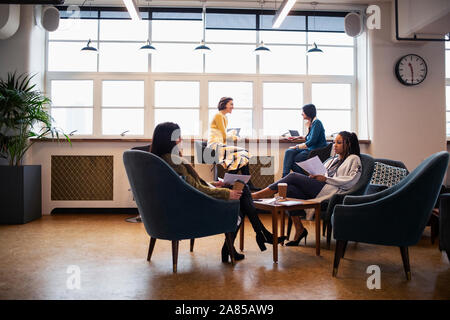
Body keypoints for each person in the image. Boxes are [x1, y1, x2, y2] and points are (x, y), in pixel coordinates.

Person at [151, 122, 285, 262]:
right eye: (178, 135)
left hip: (185, 200)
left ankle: (252, 238)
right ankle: (255, 237)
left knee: (241, 192)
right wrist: (227, 193)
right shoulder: (174, 161)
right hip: (194, 204)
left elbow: (190, 185)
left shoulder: (161, 158)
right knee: (241, 194)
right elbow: (195, 188)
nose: (181, 139)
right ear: (169, 139)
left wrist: (217, 184)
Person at [252, 131, 361, 246]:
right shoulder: (332, 159)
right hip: (321, 187)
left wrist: (325, 179)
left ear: (348, 144)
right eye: (334, 142)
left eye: (339, 143)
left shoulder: (354, 159)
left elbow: (351, 181)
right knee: (290, 189)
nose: (335, 145)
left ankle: (258, 195)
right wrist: (314, 175)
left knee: (293, 176)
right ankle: (300, 229)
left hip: (332, 191)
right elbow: (322, 172)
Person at [207, 97, 259, 191]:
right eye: (231, 104)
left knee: (241, 156)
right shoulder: (219, 116)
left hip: (220, 145)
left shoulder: (224, 117)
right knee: (244, 152)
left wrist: (232, 133)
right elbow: (223, 135)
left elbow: (223, 134)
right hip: (215, 145)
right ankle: (228, 184)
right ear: (224, 104)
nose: (232, 107)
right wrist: (235, 137)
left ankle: (232, 183)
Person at [282, 104, 327, 177]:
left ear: (308, 112)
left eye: (303, 112)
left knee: (295, 159)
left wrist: (297, 146)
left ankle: (303, 178)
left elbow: (312, 141)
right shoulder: (312, 123)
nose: (301, 113)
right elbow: (309, 137)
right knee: (289, 152)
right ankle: (284, 176)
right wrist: (298, 137)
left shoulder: (317, 123)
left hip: (316, 150)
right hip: (310, 148)